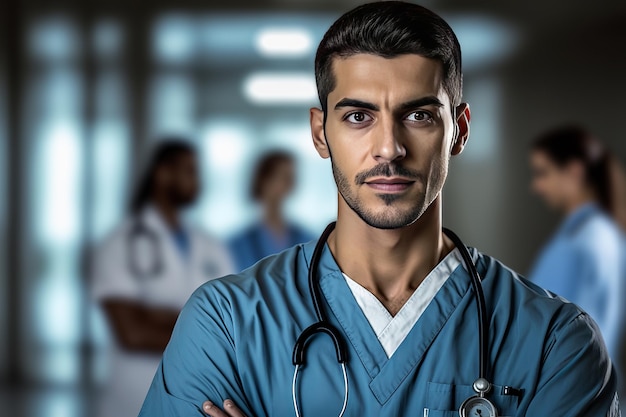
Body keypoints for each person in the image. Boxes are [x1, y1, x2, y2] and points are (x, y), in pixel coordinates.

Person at [140, 3, 619, 416]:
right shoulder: (225, 324)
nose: (388, 148)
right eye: (357, 116)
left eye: (419, 115)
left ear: (460, 130)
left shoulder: (556, 342)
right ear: (320, 132)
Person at [91, 139, 235, 417]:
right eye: (189, 171)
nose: (198, 181)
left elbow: (231, 325)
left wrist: (156, 316)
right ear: (163, 174)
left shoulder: (210, 246)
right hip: (136, 397)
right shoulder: (120, 244)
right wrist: (201, 326)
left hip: (201, 399)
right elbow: (131, 333)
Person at [528, 125, 626, 368]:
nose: (537, 186)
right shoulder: (608, 234)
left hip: (565, 389)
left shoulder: (577, 245)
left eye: (543, 173)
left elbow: (544, 337)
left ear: (574, 171)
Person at [229, 151, 313, 271]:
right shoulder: (238, 246)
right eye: (284, 177)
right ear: (263, 181)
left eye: (291, 178)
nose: (289, 184)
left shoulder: (307, 240)